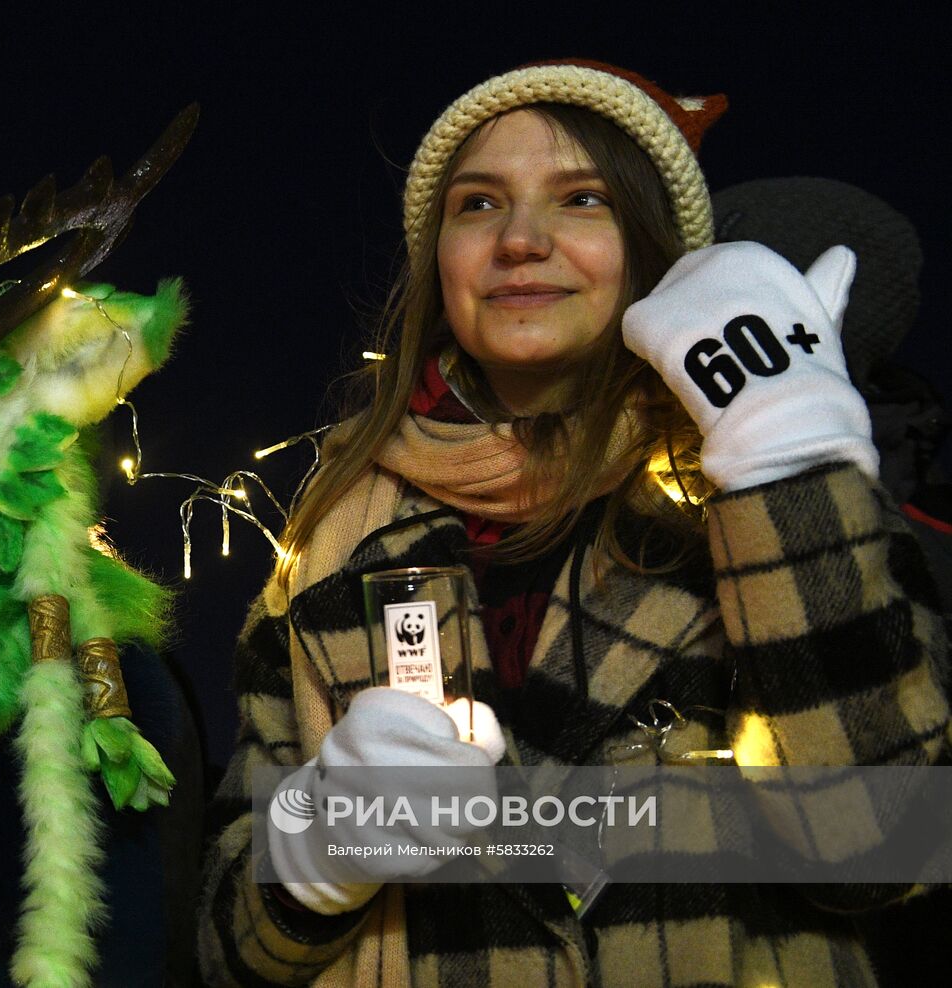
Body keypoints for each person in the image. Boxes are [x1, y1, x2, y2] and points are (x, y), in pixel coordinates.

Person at [198, 59, 950, 986]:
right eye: (478, 205)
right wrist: (315, 860)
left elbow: (885, 851)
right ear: (440, 260)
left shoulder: (759, 489)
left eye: (581, 198)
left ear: (650, 244)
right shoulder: (333, 536)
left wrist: (784, 459)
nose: (520, 239)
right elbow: (227, 952)